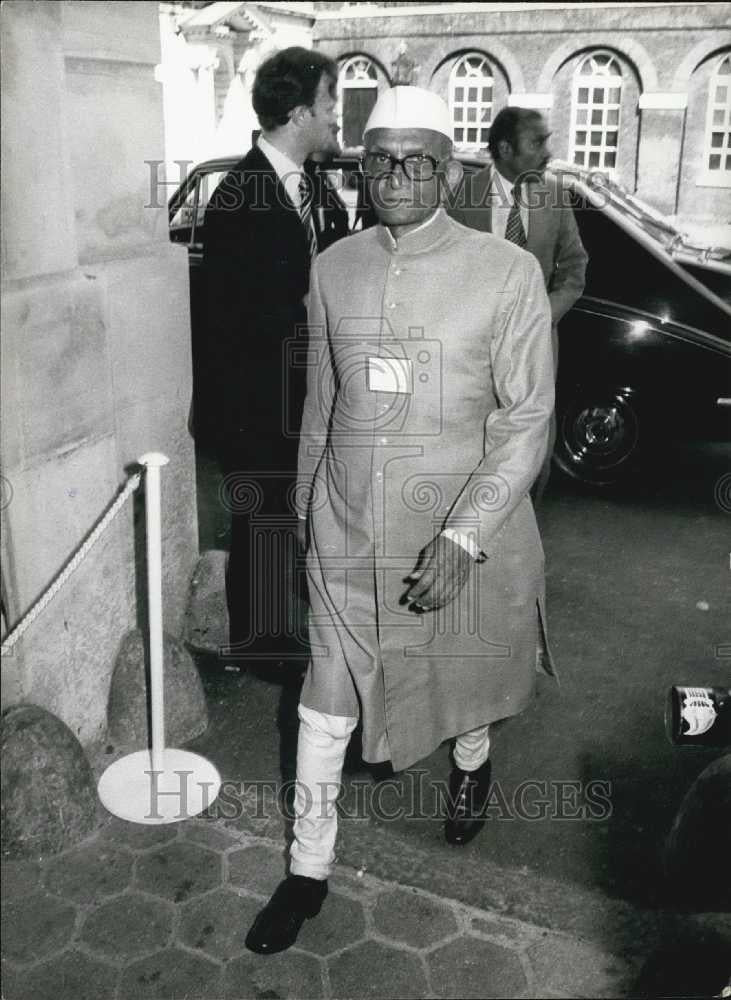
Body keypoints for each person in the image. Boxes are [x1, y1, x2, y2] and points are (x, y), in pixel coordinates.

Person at [245, 85, 556, 956]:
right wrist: (306, 512)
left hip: (455, 529)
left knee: (460, 678)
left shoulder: (506, 272)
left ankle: (470, 767)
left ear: (449, 171)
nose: (396, 177)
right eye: (380, 160)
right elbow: (321, 404)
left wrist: (463, 534)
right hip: (345, 527)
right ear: (362, 168)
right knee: (324, 703)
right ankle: (306, 869)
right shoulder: (332, 267)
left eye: (418, 161)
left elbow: (527, 418)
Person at [201, 47, 343, 663]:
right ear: (300, 111)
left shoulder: (315, 186)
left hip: (305, 391)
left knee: (294, 518)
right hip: (258, 401)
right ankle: (260, 648)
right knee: (262, 524)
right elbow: (239, 322)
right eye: (330, 101)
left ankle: (289, 631)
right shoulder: (239, 198)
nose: (336, 114)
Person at [450, 107, 588, 499]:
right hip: (473, 349)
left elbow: (574, 269)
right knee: (473, 446)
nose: (547, 152)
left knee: (533, 451)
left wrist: (543, 316)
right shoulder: (461, 196)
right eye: (537, 142)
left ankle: (526, 526)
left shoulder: (554, 196)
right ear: (505, 149)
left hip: (535, 347)